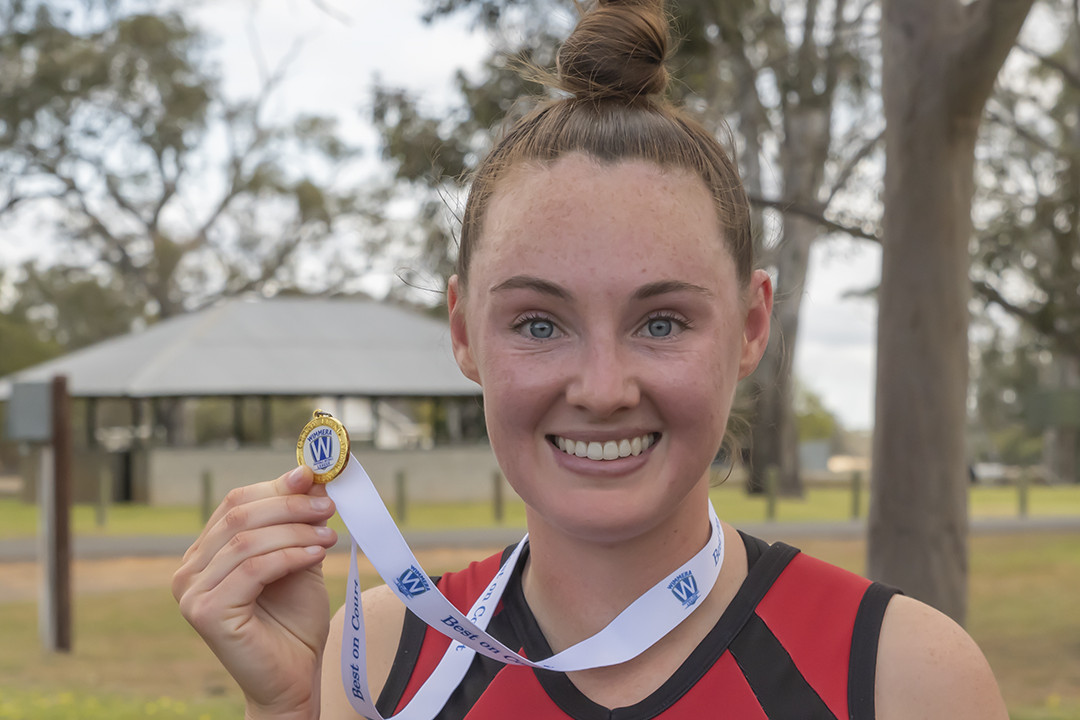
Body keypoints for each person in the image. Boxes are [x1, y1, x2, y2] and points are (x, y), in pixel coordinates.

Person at [172, 1, 1008, 718]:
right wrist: (290, 707)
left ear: (753, 325)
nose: (604, 390)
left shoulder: (904, 677)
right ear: (463, 331)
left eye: (663, 322)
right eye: (539, 324)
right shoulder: (381, 657)